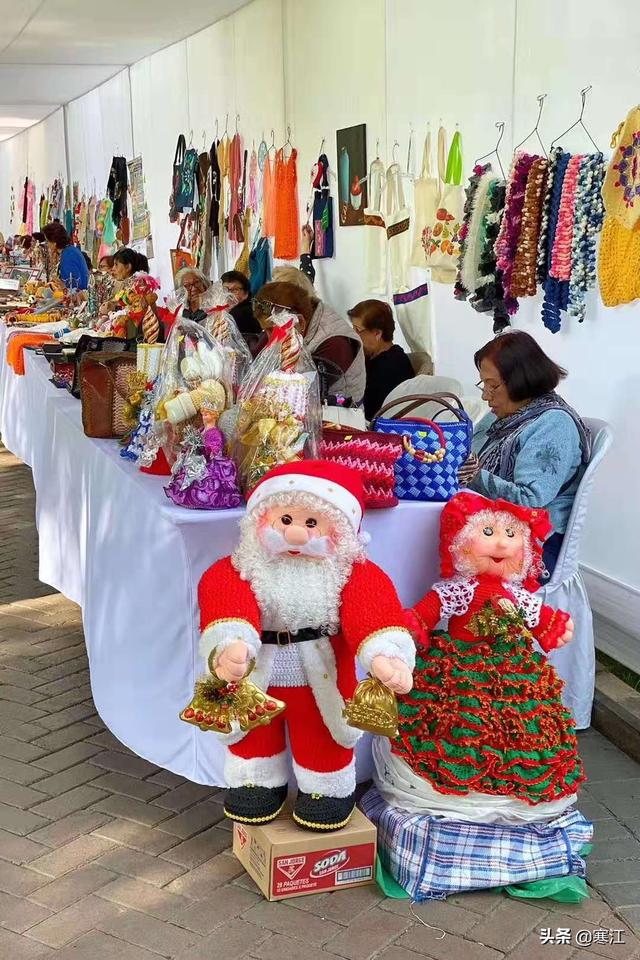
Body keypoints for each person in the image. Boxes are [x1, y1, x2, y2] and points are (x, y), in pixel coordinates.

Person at [460, 331, 591, 578]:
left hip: (533, 546)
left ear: (521, 380)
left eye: (493, 385)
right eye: (483, 384)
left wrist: (473, 474)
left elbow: (529, 500)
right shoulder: (502, 415)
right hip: (494, 530)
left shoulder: (553, 424)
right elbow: (468, 455)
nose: (485, 395)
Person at [253, 281, 366, 404]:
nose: (270, 338)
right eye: (265, 330)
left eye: (271, 330)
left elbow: (303, 392)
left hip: (337, 413)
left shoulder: (334, 342)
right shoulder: (285, 324)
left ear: (300, 322)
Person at [348, 299, 414, 420]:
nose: (353, 335)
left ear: (377, 333)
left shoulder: (389, 367)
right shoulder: (373, 356)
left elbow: (367, 412)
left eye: (357, 330)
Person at [42, 222, 89, 291]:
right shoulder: (70, 250)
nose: (47, 244)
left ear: (54, 243)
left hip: (77, 297)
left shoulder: (68, 256)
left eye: (47, 241)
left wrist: (60, 284)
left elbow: (72, 287)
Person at [221, 270, 262, 338]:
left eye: (235, 290)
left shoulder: (240, 313)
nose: (229, 294)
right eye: (225, 289)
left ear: (246, 293)